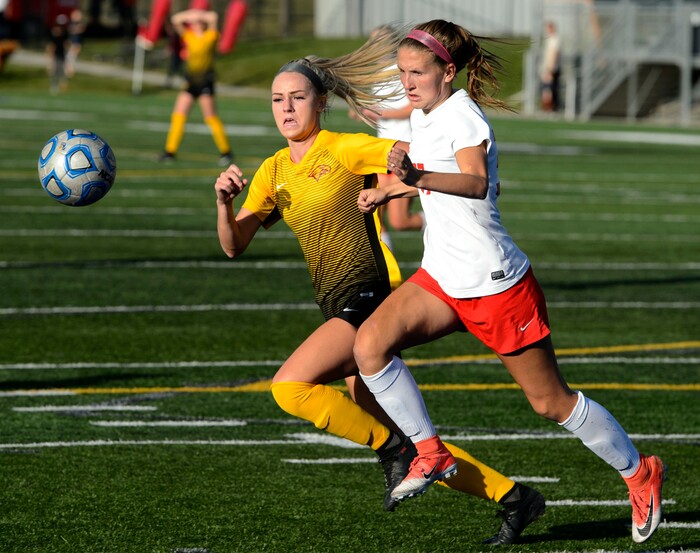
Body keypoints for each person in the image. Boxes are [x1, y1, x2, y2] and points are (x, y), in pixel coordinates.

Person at [214, 31, 544, 545]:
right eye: (278, 99)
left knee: (289, 387)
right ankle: (513, 498)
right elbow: (234, 245)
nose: (286, 107)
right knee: (415, 442)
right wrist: (223, 203)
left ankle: (392, 451)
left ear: (321, 103)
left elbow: (420, 151)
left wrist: (438, 175)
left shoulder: (345, 148)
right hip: (337, 308)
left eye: (297, 97)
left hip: (372, 296)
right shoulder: (272, 171)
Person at [353, 19, 666, 545]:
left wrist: (414, 181)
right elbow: (423, 162)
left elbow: (475, 183)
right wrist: (389, 190)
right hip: (443, 278)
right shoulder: (425, 111)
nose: (407, 82)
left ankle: (640, 473)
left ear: (447, 72)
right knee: (370, 345)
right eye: (402, 72)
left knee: (550, 403)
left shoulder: (462, 116)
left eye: (417, 73)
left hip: (496, 283)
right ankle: (428, 451)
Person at [349, 25, 425, 252]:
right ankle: (388, 271)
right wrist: (362, 112)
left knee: (400, 222)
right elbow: (379, 113)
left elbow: (411, 109)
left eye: (379, 42)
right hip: (382, 152)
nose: (374, 47)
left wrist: (377, 112)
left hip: (405, 151)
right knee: (374, 214)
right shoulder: (377, 76)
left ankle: (435, 222)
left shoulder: (402, 72)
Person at [159, 8, 232, 165]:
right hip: (191, 81)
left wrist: (200, 16)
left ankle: (226, 151)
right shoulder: (189, 35)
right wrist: (192, 15)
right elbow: (176, 20)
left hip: (205, 81)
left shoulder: (210, 36)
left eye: (199, 22)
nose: (196, 23)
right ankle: (170, 151)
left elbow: (213, 16)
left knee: (211, 118)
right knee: (178, 115)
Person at [539, 20, 561, 112]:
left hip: (550, 69)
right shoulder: (550, 39)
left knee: (548, 89)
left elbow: (554, 54)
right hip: (548, 68)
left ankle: (550, 108)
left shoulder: (554, 39)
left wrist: (549, 70)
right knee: (547, 88)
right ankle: (549, 108)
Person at [46, 14, 70, 95]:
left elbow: (66, 44)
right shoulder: (53, 33)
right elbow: (51, 46)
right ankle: (54, 85)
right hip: (56, 54)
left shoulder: (65, 33)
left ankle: (62, 85)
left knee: (62, 71)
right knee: (55, 70)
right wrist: (50, 57)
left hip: (62, 54)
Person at [65, 8, 85, 78]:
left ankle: (70, 70)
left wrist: (76, 29)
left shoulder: (80, 24)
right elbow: (71, 30)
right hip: (71, 43)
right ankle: (69, 70)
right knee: (69, 56)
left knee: (73, 56)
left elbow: (80, 29)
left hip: (76, 43)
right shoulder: (71, 23)